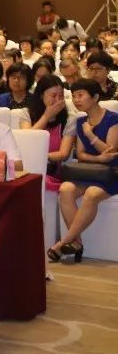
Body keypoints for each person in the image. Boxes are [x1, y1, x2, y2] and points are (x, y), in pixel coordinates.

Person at [50, 79, 118, 261]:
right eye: (73, 96)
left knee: (92, 194)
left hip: (111, 174)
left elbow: (110, 152)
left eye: (80, 95)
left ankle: (63, 241)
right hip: (88, 171)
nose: (76, 100)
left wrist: (90, 134)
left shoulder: (113, 119)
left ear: (95, 97)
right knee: (65, 189)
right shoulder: (80, 121)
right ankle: (76, 242)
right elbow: (81, 154)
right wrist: (98, 158)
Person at [27, 74, 74, 194]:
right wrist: (46, 117)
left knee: (40, 182)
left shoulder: (70, 119)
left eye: (61, 96)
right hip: (28, 169)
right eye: (53, 96)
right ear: (41, 96)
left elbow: (64, 153)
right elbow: (26, 139)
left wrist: (43, 157)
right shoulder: (25, 114)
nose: (58, 100)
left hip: (53, 172)